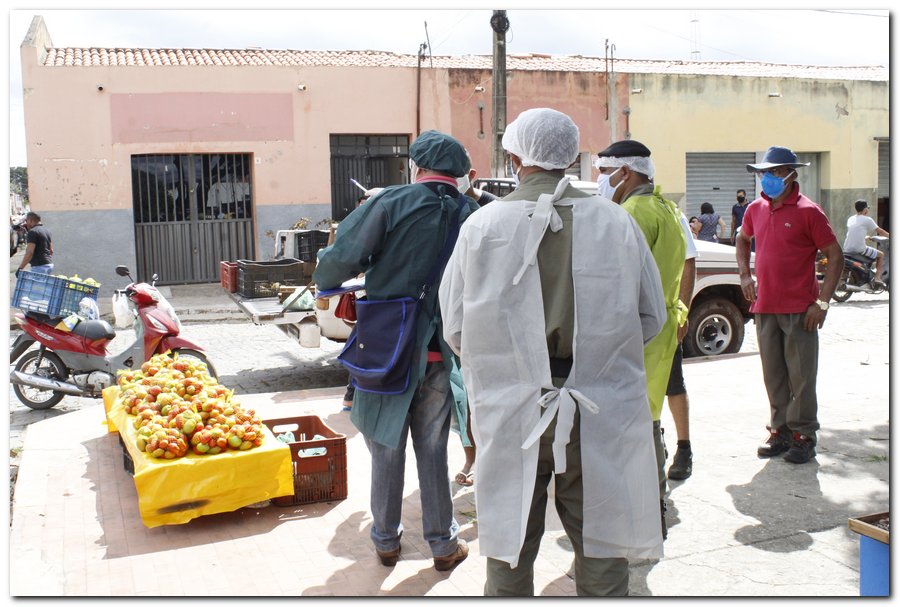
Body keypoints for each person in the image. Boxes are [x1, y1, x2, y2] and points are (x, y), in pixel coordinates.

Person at [440, 108, 666, 596]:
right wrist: (601, 358)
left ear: (515, 155)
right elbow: (652, 317)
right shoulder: (614, 223)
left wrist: (507, 364)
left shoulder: (483, 226)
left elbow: (455, 327)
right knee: (602, 544)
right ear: (570, 157)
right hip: (599, 407)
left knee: (509, 546)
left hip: (510, 409)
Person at [313, 130, 478, 571]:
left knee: (386, 446)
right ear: (459, 173)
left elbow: (338, 259)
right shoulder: (473, 213)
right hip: (443, 352)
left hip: (386, 346)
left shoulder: (389, 203)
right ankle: (443, 545)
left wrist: (331, 282)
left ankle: (386, 540)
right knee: (434, 448)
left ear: (417, 166)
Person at [595, 139, 688, 539]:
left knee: (636, 424)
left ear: (625, 173)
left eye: (603, 173)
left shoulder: (630, 214)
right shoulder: (667, 209)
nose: (600, 181)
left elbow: (616, 283)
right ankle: (653, 504)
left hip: (635, 331)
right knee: (647, 417)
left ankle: (647, 508)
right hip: (662, 325)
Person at [736, 146, 843, 464]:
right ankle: (780, 431)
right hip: (765, 305)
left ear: (791, 174)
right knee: (774, 374)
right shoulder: (755, 209)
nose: (766, 178)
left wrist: (822, 302)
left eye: (773, 172)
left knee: (802, 375)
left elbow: (835, 256)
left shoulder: (808, 211)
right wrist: (745, 275)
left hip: (800, 308)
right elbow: (743, 239)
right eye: (763, 173)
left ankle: (804, 435)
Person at [340, 187, 385, 413]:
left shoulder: (380, 225)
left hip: (376, 297)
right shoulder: (364, 226)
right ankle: (352, 394)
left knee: (362, 343)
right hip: (367, 296)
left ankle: (353, 394)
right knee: (361, 343)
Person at [665, 211, 698, 481]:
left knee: (673, 383)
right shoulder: (613, 207)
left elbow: (688, 261)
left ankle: (683, 447)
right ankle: (656, 441)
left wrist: (682, 311)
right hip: (628, 319)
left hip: (664, 316)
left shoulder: (670, 214)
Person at [843, 199, 889, 286]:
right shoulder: (867, 219)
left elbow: (854, 233)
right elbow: (880, 231)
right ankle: (877, 278)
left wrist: (865, 237)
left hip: (846, 248)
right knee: (881, 255)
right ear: (865, 210)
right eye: (867, 209)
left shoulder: (851, 219)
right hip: (859, 249)